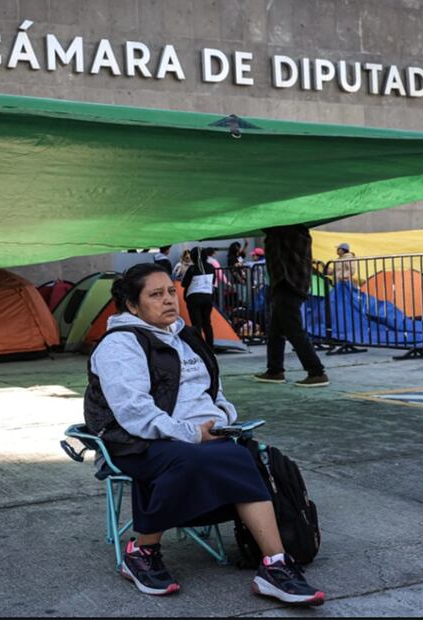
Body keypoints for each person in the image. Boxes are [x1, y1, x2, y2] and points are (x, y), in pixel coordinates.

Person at [85, 262, 326, 605]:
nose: (169, 300)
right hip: (135, 441)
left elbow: (216, 392)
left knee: (241, 453)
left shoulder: (187, 337)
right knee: (194, 459)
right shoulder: (120, 345)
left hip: (200, 438)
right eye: (156, 295)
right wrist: (192, 433)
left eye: (171, 291)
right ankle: (142, 552)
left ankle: (275, 564)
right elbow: (134, 413)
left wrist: (223, 419)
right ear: (132, 306)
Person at [252, 224, 329, 387]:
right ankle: (274, 371)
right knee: (275, 332)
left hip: (288, 285)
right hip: (287, 285)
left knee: (294, 331)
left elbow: (273, 230)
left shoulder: (288, 233)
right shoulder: (297, 234)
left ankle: (316, 372)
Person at [181, 247, 215, 347]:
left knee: (196, 324)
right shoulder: (211, 267)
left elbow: (184, 284)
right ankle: (210, 347)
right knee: (207, 323)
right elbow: (213, 281)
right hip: (208, 297)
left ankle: (200, 347)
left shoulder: (192, 268)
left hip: (193, 298)